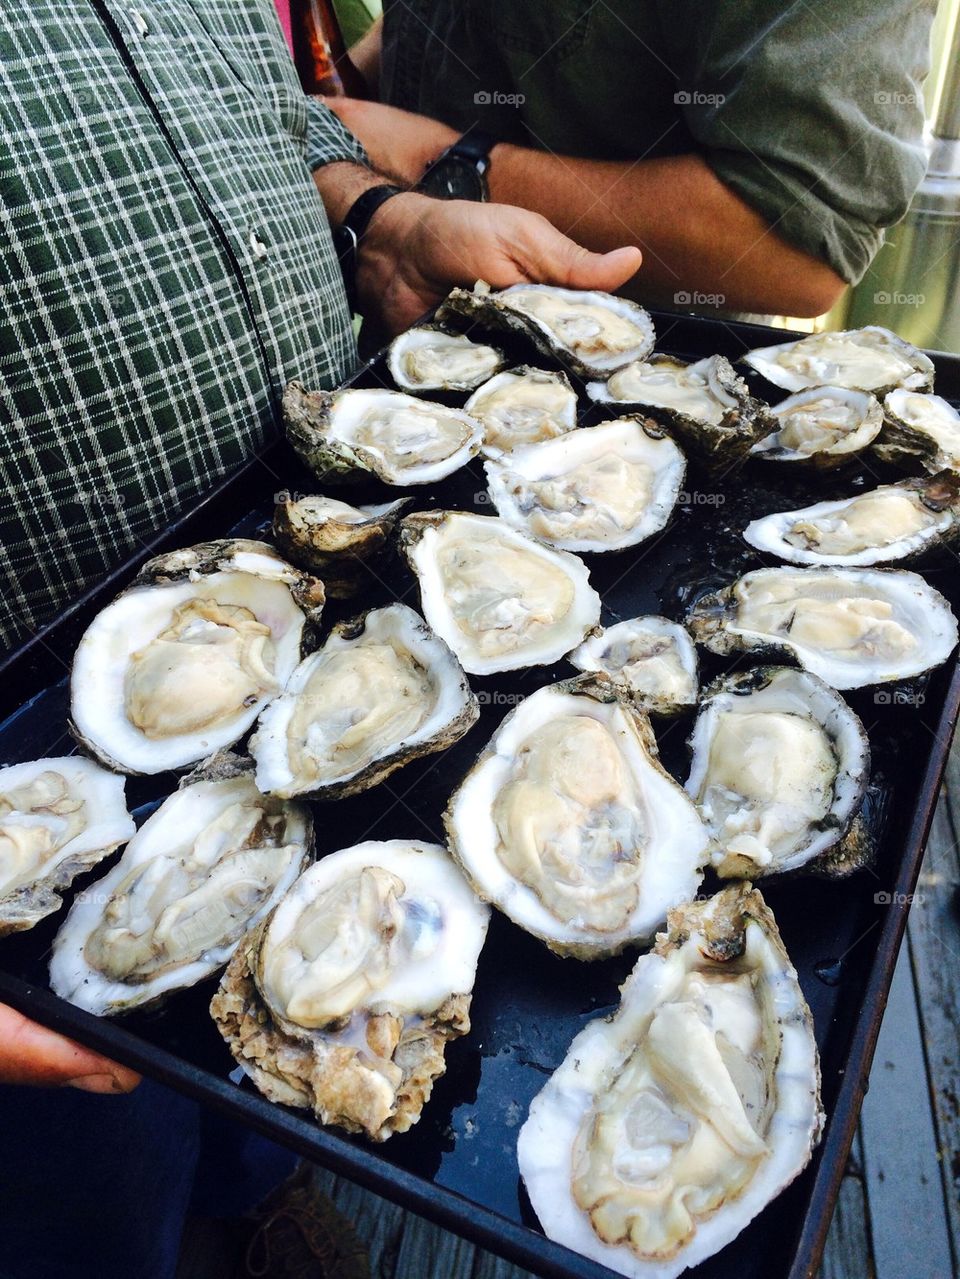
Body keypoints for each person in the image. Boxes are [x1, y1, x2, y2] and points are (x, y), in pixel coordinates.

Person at [0, 3, 640, 1275]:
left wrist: (381, 221)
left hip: (328, 578)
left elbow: (270, 116)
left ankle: (248, 1198)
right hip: (33, 719)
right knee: (87, 1150)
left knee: (300, 1005)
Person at [332, 0, 936, 317]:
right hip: (402, 353)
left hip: (638, 408)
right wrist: (353, 78)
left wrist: (431, 160)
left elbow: (793, 249)